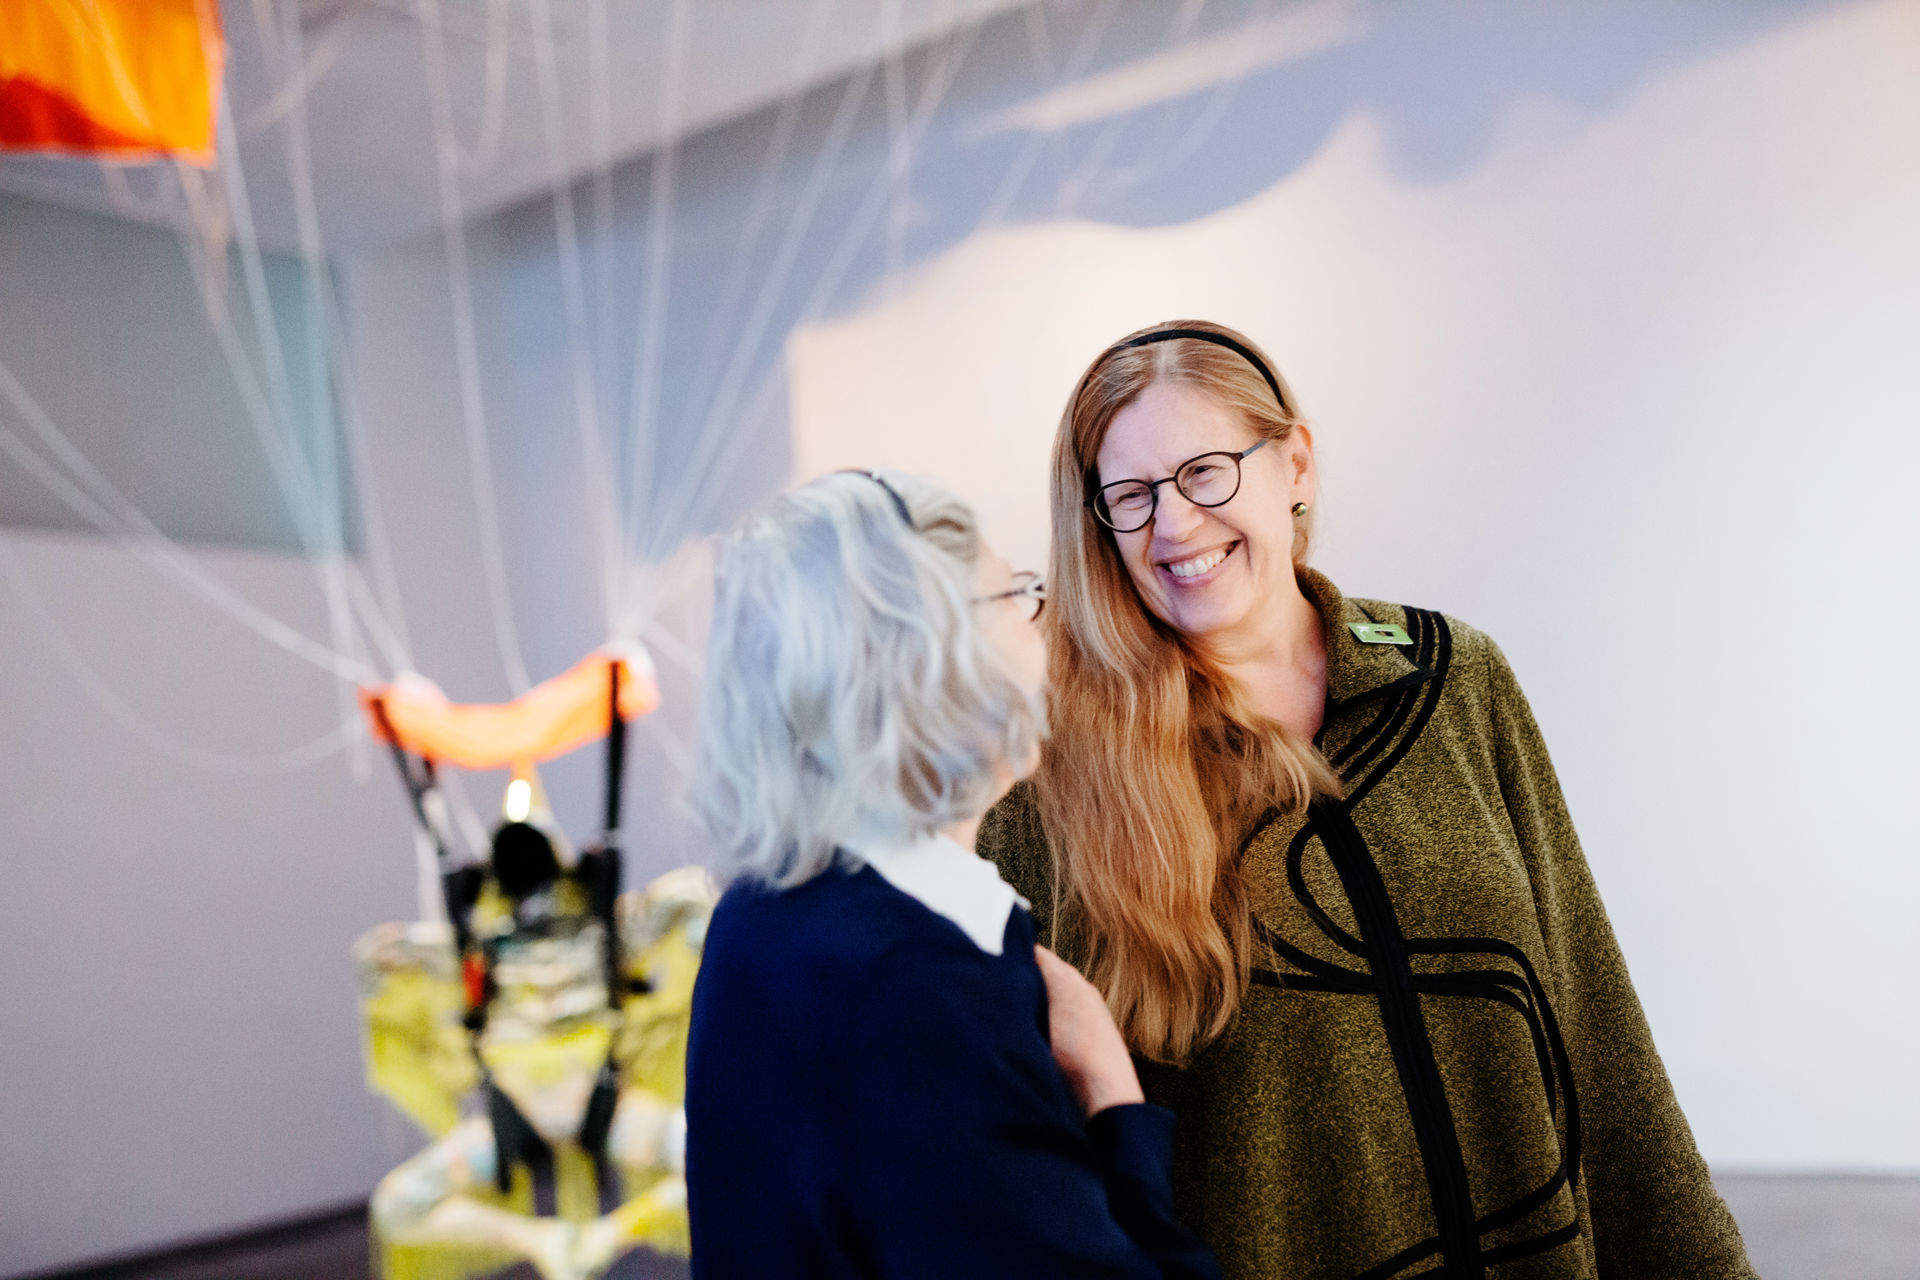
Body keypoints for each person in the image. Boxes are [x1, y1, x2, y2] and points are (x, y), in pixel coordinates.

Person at [977, 321, 1757, 1279]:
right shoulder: (1053, 769)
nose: (1173, 525)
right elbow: (1026, 1141)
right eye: (1129, 496)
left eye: (1206, 471)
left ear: (1294, 463)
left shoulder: (1450, 678)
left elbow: (1593, 1019)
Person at [683, 470, 1220, 1280]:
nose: (1042, 634)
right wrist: (1114, 1094)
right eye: (1016, 597)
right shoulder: (919, 994)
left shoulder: (759, 915)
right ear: (930, 656)